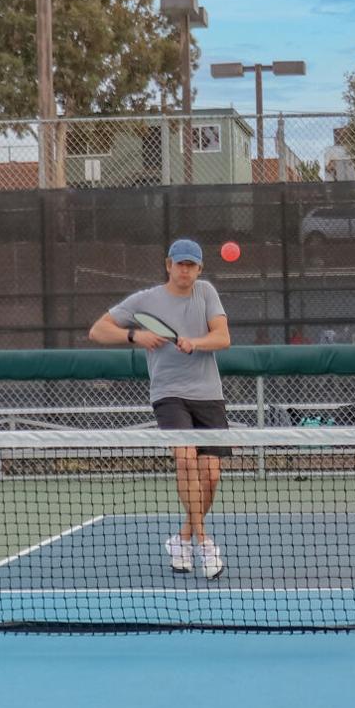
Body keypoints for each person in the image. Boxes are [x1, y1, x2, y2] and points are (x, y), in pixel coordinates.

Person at [88, 238, 234, 578]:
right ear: (169, 265)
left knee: (211, 475)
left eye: (191, 265)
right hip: (168, 394)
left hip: (208, 394)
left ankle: (182, 539)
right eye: (179, 264)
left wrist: (195, 342)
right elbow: (98, 330)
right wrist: (134, 336)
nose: (185, 270)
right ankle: (204, 543)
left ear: (199, 269)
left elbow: (223, 338)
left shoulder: (206, 293)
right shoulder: (146, 300)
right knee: (185, 459)